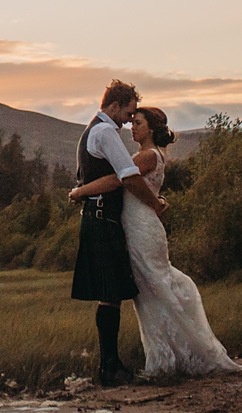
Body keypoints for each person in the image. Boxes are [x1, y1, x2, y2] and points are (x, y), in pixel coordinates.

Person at [70, 106, 242, 380]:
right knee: (149, 292)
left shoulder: (147, 157)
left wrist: (82, 190)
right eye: (132, 122)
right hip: (137, 226)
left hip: (142, 228)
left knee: (155, 287)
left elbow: (119, 180)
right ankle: (166, 356)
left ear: (151, 128)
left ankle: (177, 355)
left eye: (137, 123)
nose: (132, 127)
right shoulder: (148, 155)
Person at [70, 80, 163, 386]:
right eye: (129, 111)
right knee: (110, 295)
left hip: (99, 217)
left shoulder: (93, 129)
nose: (129, 119)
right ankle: (110, 368)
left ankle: (110, 365)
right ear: (114, 106)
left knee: (110, 295)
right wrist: (156, 204)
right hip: (102, 218)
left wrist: (82, 191)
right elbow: (128, 176)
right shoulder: (106, 132)